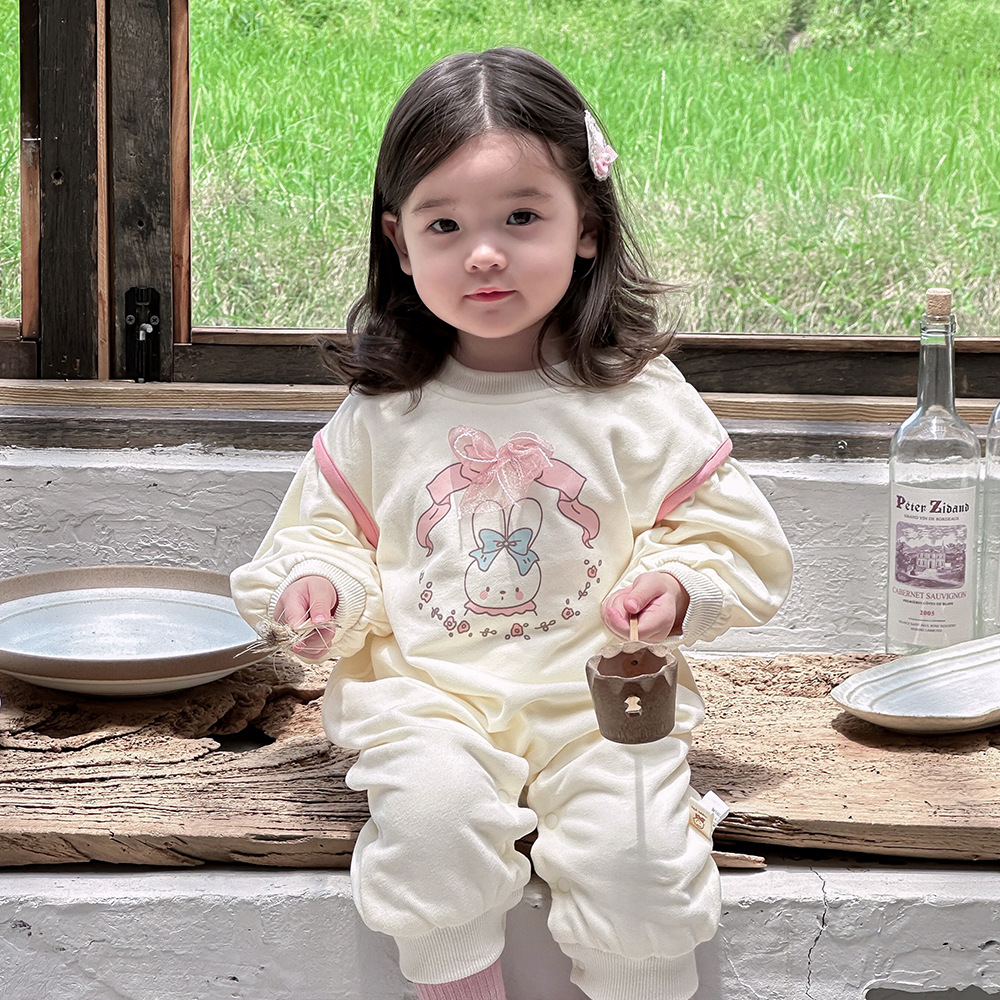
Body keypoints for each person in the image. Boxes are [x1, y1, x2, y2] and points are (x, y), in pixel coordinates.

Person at [231, 47, 793, 1000]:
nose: (483, 252)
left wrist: (679, 584)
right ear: (401, 246)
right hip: (431, 697)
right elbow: (323, 536)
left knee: (640, 856)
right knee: (435, 821)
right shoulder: (386, 411)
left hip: (598, 702)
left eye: (521, 217)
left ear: (587, 227)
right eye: (444, 224)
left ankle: (635, 981)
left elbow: (720, 533)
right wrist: (320, 588)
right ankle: (459, 983)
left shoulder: (637, 400)